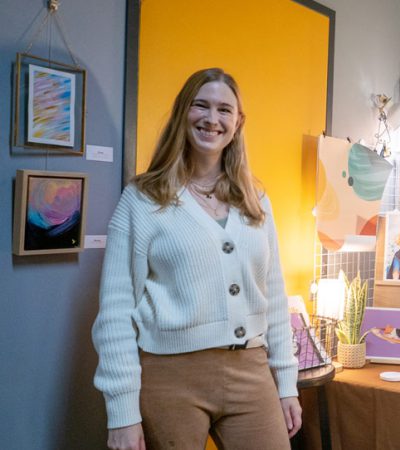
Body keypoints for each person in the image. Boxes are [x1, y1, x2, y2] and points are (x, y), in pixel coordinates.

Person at [92, 68, 301, 450]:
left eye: (224, 109)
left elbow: (273, 294)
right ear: (182, 113)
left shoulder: (255, 201)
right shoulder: (141, 199)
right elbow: (116, 311)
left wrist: (287, 383)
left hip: (250, 369)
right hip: (169, 377)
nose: (212, 118)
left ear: (238, 123)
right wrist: (121, 412)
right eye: (200, 105)